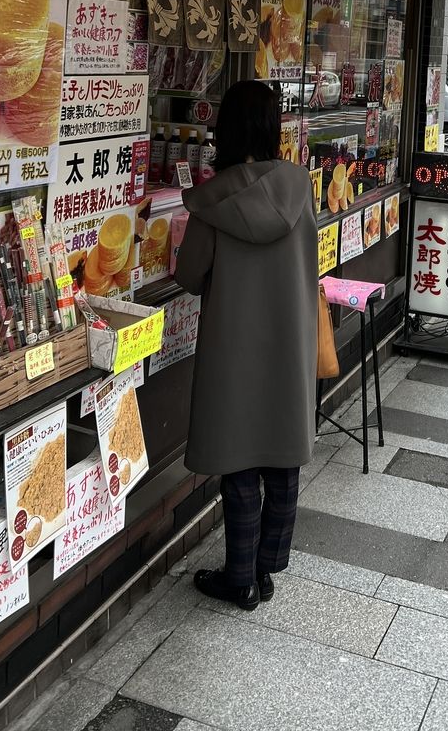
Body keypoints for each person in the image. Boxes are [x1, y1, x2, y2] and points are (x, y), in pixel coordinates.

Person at [174, 80, 317, 611]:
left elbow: (190, 276)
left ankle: (239, 579)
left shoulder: (215, 202)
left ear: (226, 131)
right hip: (288, 344)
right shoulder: (299, 189)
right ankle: (266, 567)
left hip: (234, 349)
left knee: (239, 464)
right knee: (281, 458)